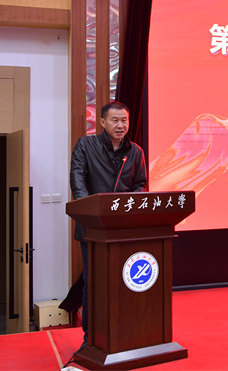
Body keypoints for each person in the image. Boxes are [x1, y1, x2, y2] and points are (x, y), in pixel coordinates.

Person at [70, 101, 148, 340]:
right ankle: (92, 337)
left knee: (125, 281)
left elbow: (141, 184)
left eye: (124, 120)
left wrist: (127, 208)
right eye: (115, 120)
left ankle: (125, 333)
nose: (121, 125)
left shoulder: (135, 151)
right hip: (93, 229)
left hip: (124, 229)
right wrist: (90, 211)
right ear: (103, 122)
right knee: (94, 282)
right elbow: (77, 180)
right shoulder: (86, 145)